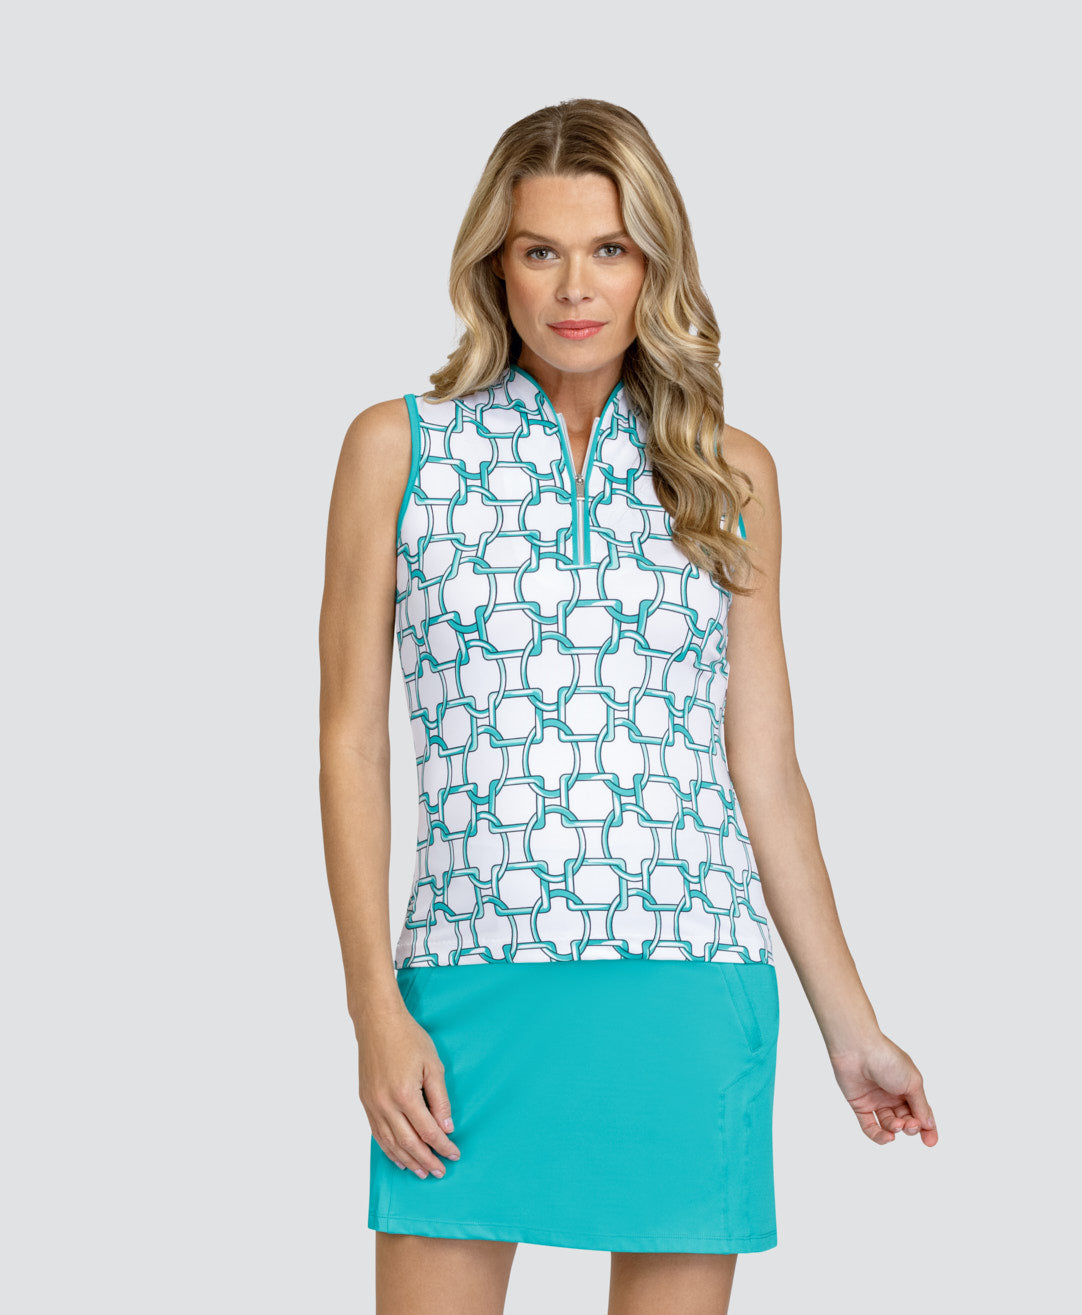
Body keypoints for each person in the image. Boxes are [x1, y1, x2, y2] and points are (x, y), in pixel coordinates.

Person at [319, 98, 938, 1315]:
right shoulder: (397, 448)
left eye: (608, 248)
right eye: (538, 250)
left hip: (688, 982)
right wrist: (371, 1009)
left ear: (655, 261)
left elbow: (764, 768)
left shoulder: (728, 471)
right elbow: (349, 742)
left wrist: (851, 1028)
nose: (573, 287)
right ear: (493, 265)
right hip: (465, 986)